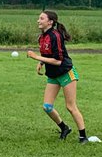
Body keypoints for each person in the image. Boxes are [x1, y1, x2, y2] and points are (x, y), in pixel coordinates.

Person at [27, 10, 90, 143]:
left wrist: (36, 57)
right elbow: (47, 53)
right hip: (53, 75)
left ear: (50, 22)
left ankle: (83, 136)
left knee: (70, 106)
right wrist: (41, 62)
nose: (38, 21)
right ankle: (64, 128)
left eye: (41, 18)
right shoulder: (42, 36)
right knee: (47, 107)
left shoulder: (56, 36)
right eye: (39, 18)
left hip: (66, 73)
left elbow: (58, 60)